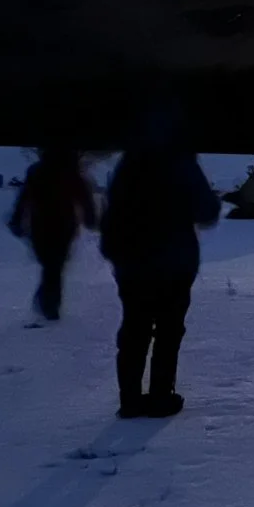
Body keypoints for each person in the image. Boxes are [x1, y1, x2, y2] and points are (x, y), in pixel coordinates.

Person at [100, 105, 220, 418]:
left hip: (132, 263)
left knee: (134, 327)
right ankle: (160, 395)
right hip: (174, 264)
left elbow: (111, 212)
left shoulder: (128, 165)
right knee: (168, 331)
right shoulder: (183, 163)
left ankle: (129, 399)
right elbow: (207, 210)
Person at [9, 145, 97, 320]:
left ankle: (49, 303)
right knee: (54, 266)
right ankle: (49, 303)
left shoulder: (38, 171)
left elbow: (24, 197)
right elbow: (84, 198)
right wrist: (90, 218)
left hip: (42, 224)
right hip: (62, 225)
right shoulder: (72, 173)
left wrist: (17, 219)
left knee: (51, 265)